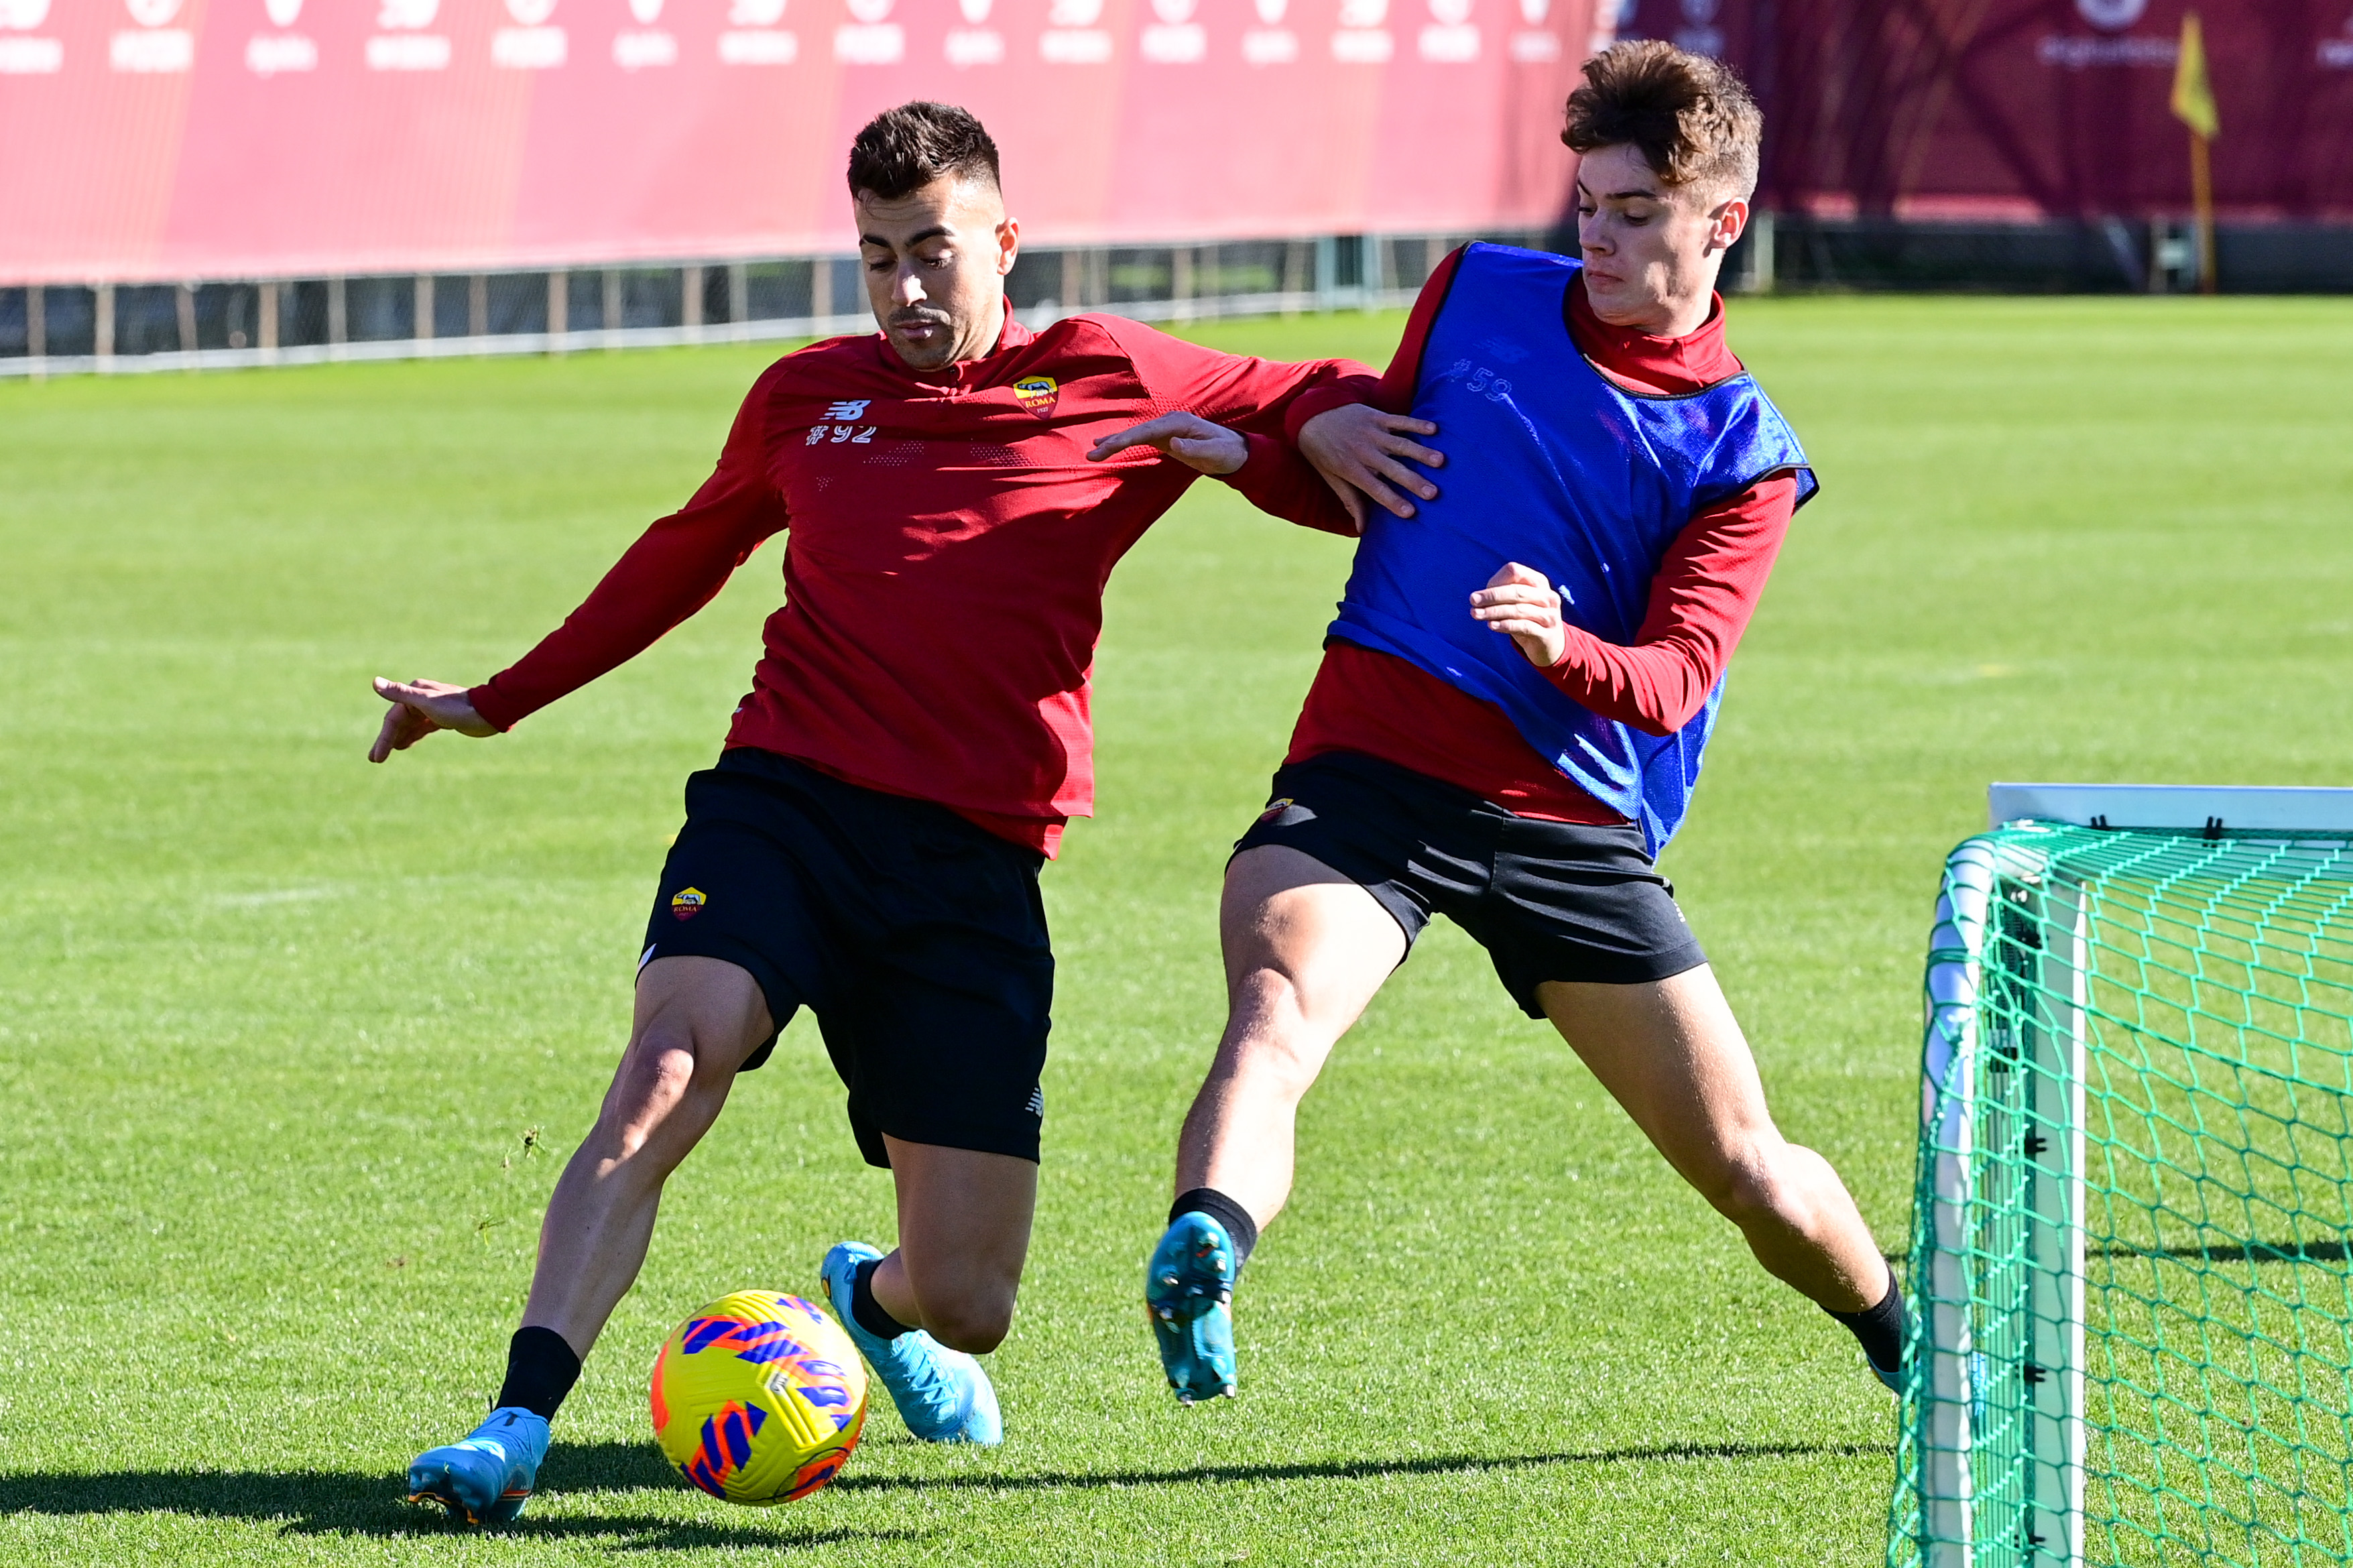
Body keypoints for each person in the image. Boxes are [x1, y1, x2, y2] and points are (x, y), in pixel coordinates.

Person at [375, 100, 1382, 1524]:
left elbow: (1316, 409)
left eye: (933, 252)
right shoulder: (806, 396)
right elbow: (684, 554)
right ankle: (512, 1427)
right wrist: (499, 697)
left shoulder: (1109, 370)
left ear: (1003, 242)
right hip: (785, 805)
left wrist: (1298, 435)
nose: (906, 289)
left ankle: (876, 1299)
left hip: (972, 863)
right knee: (671, 1062)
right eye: (875, 257)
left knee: (972, 1303)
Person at [1136, 40, 1907, 1406]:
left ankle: (1910, 1343)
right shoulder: (1479, 292)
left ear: (1723, 221)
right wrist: (1260, 456)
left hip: (1571, 829)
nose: (1593, 238)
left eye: (1635, 213)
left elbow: (1674, 680)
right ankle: (1207, 1246)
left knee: (1747, 1169)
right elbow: (1388, 490)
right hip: (1371, 769)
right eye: (1588, 204)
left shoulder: (1744, 453)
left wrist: (1565, 648)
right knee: (1277, 1005)